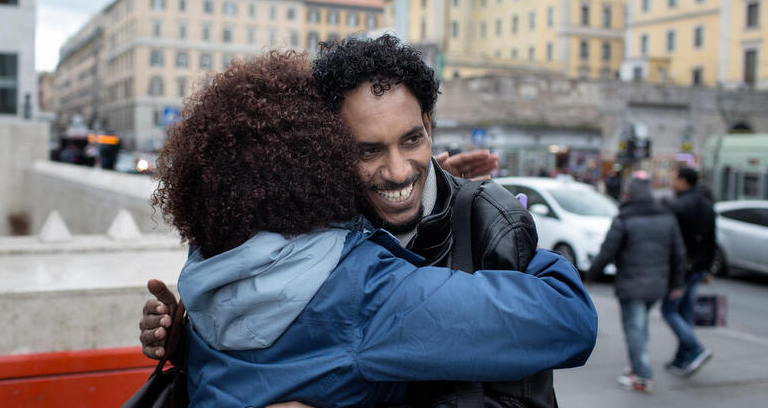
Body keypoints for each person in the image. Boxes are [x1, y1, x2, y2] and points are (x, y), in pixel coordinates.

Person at [141, 35, 598, 408]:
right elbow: (571, 318)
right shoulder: (360, 290)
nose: (398, 171)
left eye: (411, 141)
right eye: (367, 150)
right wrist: (512, 226)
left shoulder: (207, 264)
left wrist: (182, 341)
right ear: (325, 158)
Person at [586, 172, 686, 394]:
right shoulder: (666, 216)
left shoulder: (624, 218)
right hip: (658, 285)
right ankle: (637, 366)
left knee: (635, 329)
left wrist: (591, 275)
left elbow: (607, 251)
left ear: (628, 193)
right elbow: (678, 253)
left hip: (631, 284)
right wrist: (677, 284)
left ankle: (641, 376)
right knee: (640, 328)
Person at [662, 167, 716, 377]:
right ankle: (682, 358)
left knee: (670, 311)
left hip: (681, 270)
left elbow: (673, 245)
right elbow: (712, 239)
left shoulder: (677, 206)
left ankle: (695, 349)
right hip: (699, 267)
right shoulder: (707, 205)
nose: (672, 181)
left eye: (675, 177)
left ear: (683, 181)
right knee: (684, 313)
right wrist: (708, 268)